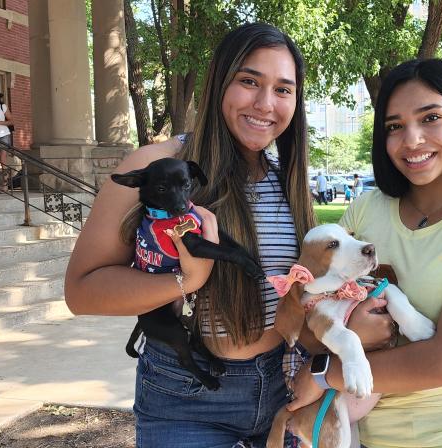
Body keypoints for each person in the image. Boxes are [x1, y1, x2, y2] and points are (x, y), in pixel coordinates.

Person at [63, 23, 393, 447]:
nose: (265, 103)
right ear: (220, 81)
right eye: (249, 81)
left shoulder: (289, 183)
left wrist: (347, 330)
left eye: (283, 89)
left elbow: (301, 299)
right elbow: (82, 291)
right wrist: (188, 280)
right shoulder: (160, 168)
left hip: (283, 389)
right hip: (187, 394)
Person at [288, 58, 442, 447]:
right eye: (394, 126)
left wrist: (323, 373)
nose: (413, 139)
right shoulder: (366, 209)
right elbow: (309, 318)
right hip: (355, 435)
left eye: (431, 117)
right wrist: (345, 335)